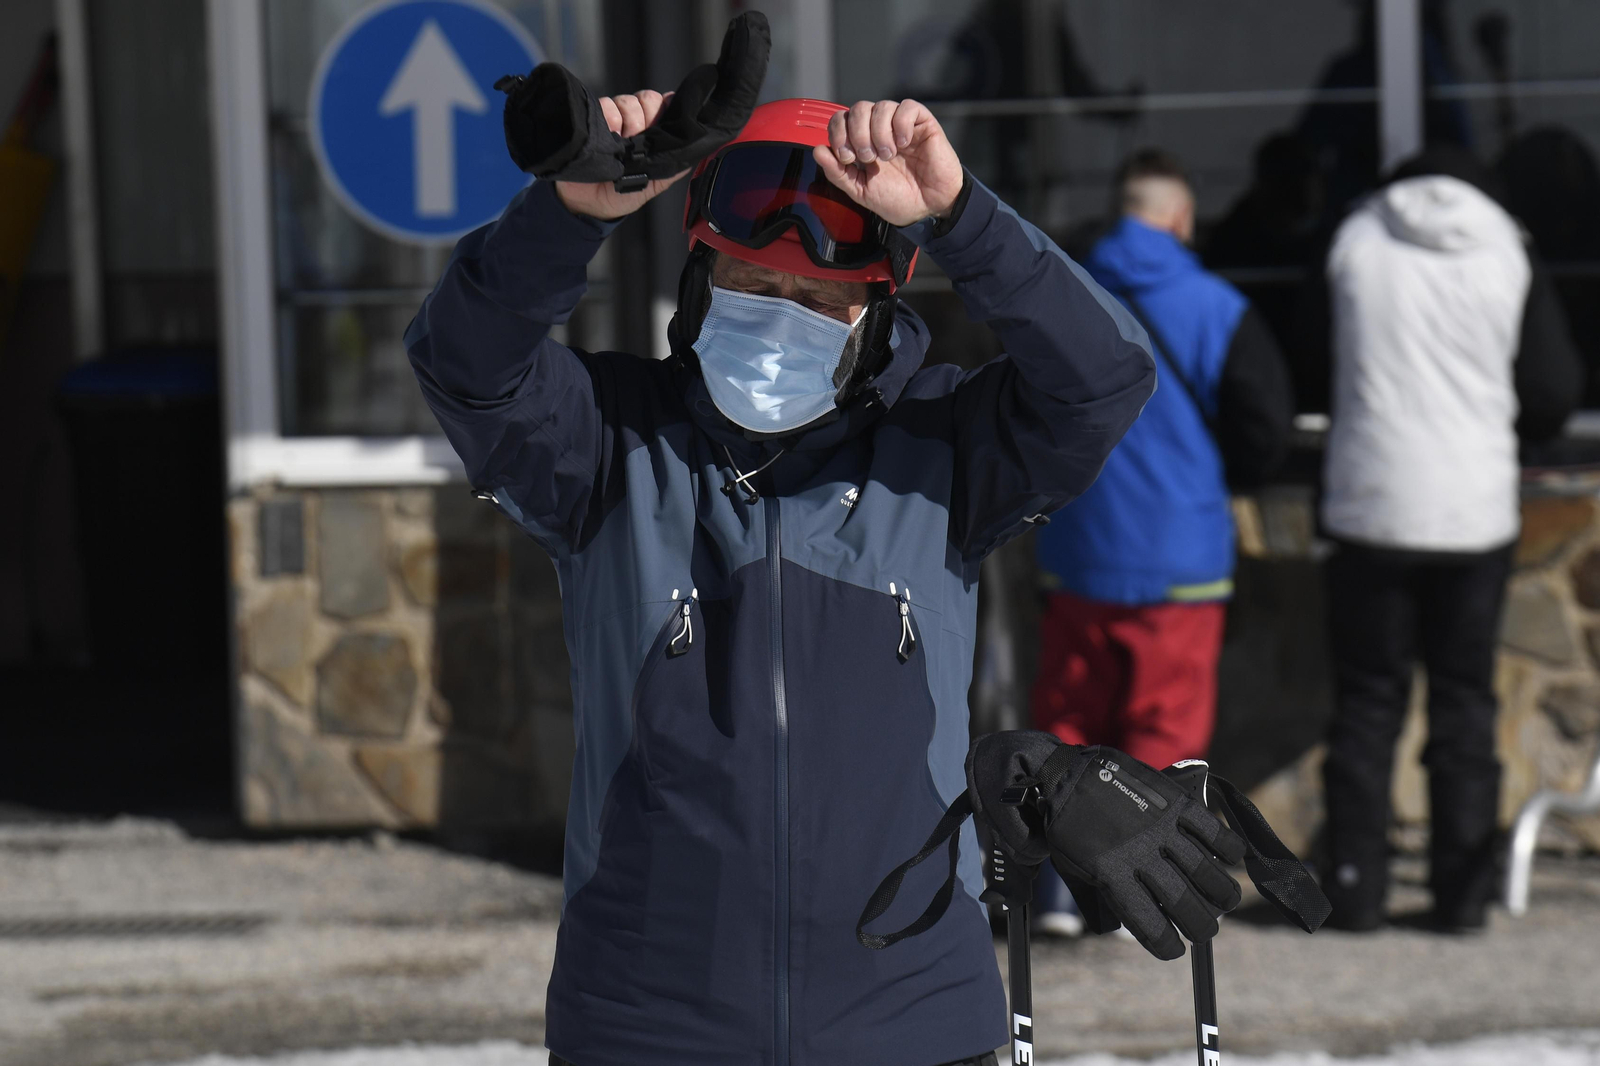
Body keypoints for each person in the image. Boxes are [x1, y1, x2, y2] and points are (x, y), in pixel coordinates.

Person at [406, 73, 1162, 1064]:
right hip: (646, 1025)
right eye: (752, 283)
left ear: (872, 314)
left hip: (913, 1025)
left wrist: (955, 218)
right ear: (700, 285)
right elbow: (462, 359)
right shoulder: (604, 444)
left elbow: (1103, 379)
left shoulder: (939, 450)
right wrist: (569, 214)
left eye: (818, 296)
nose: (780, 314)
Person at [1312, 145, 1584, 932]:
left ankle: (1354, 887)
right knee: (1465, 706)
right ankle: (1461, 896)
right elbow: (1552, 392)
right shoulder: (1507, 245)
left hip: (1369, 505)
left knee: (1367, 703)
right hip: (1472, 510)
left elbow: (1308, 357)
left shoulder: (1353, 239)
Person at [1029, 148, 1293, 936]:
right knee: (1164, 737)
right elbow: (1264, 431)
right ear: (1180, 220)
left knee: (1066, 726)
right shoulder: (1217, 306)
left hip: (1078, 548)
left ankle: (1052, 895)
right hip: (1181, 559)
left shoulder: (1064, 294)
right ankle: (1138, 896)